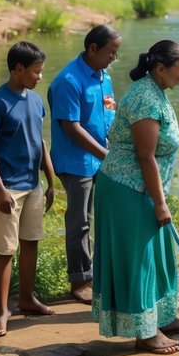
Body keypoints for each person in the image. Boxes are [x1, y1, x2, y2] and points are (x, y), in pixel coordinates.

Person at [91, 40, 179, 354]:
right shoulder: (145, 98)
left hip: (146, 189)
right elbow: (146, 156)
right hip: (128, 189)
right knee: (140, 262)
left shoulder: (156, 90)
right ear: (161, 69)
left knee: (159, 257)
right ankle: (145, 332)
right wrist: (160, 202)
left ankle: (163, 317)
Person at [0, 41, 57, 337]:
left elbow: (40, 143)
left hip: (32, 183)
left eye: (41, 71)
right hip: (8, 186)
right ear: (18, 69)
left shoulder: (36, 101)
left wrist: (50, 181)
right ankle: (1, 313)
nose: (39, 77)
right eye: (36, 71)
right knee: (5, 250)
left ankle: (26, 298)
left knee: (31, 242)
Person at [47, 24, 121, 305]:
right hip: (77, 161)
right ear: (92, 49)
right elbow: (70, 127)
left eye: (116, 52)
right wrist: (105, 154)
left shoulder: (104, 78)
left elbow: (109, 116)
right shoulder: (69, 80)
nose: (114, 57)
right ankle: (80, 280)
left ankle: (102, 275)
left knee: (106, 218)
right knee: (80, 221)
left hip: (103, 158)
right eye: (111, 52)